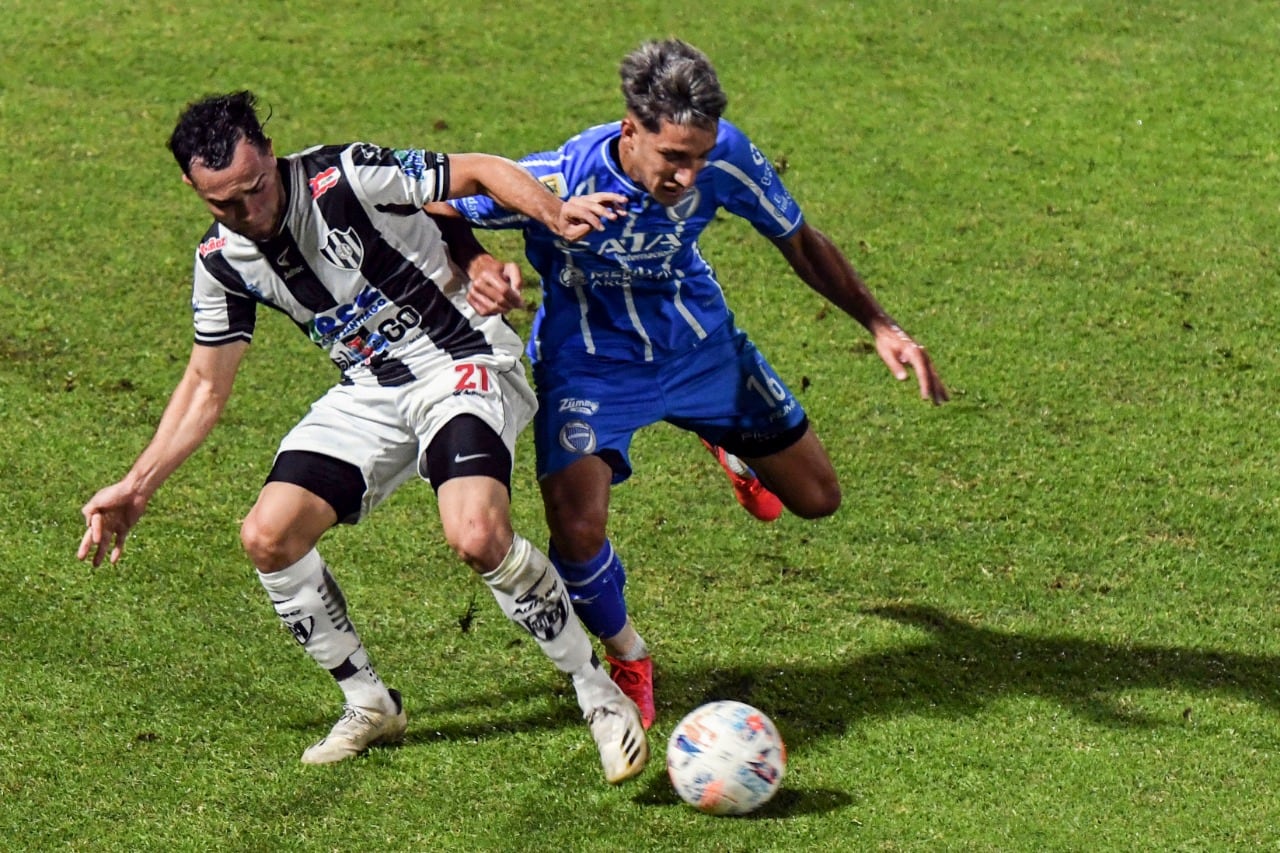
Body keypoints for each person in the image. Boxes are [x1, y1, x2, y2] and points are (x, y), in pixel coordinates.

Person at [75, 91, 649, 783]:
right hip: (373, 390)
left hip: (461, 360)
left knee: (474, 534)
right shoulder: (222, 260)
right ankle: (368, 699)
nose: (249, 212)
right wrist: (138, 485)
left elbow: (478, 169)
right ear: (193, 189)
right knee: (268, 534)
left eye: (256, 190)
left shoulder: (344, 175)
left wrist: (553, 216)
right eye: (223, 203)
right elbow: (204, 385)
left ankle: (597, 690)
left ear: (271, 154)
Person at [431, 39, 949, 731]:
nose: (689, 173)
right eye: (673, 157)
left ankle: (723, 438)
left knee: (818, 498)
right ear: (630, 131)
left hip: (699, 348)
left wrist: (881, 324)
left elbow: (798, 237)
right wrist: (477, 263)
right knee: (577, 527)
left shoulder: (724, 157)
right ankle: (629, 657)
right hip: (590, 364)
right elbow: (438, 204)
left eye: (699, 156)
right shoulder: (557, 177)